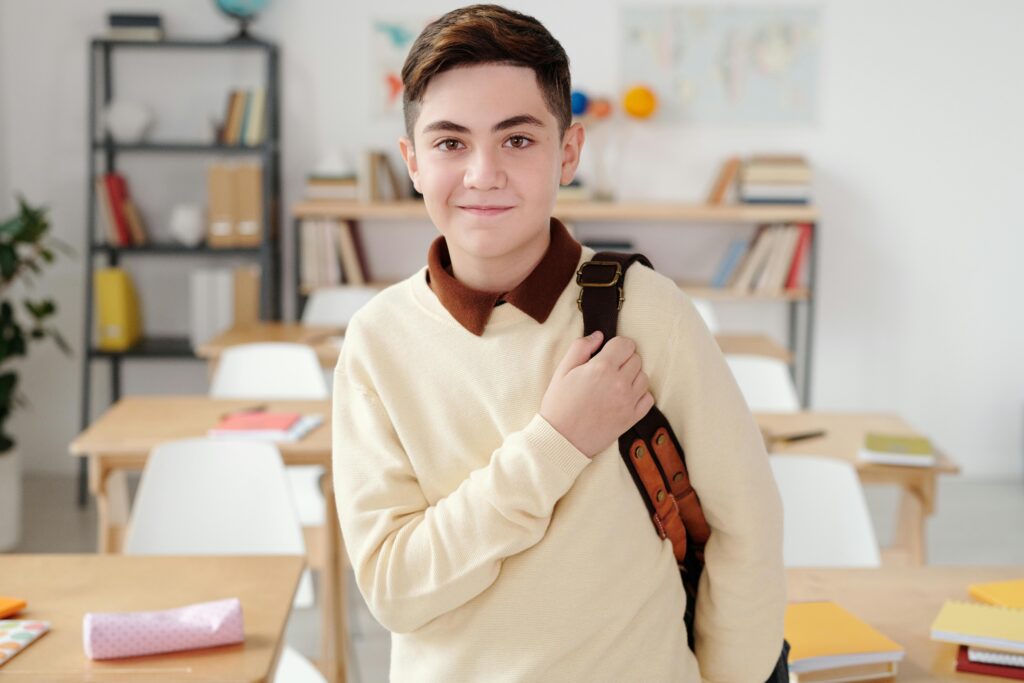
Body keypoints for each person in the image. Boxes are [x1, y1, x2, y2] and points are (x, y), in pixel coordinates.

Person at [332, 5, 785, 681]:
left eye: (517, 140)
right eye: (451, 143)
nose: (483, 172)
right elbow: (395, 586)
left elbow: (747, 528)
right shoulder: (377, 341)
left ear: (568, 151)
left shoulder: (650, 313)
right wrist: (557, 441)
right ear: (413, 163)